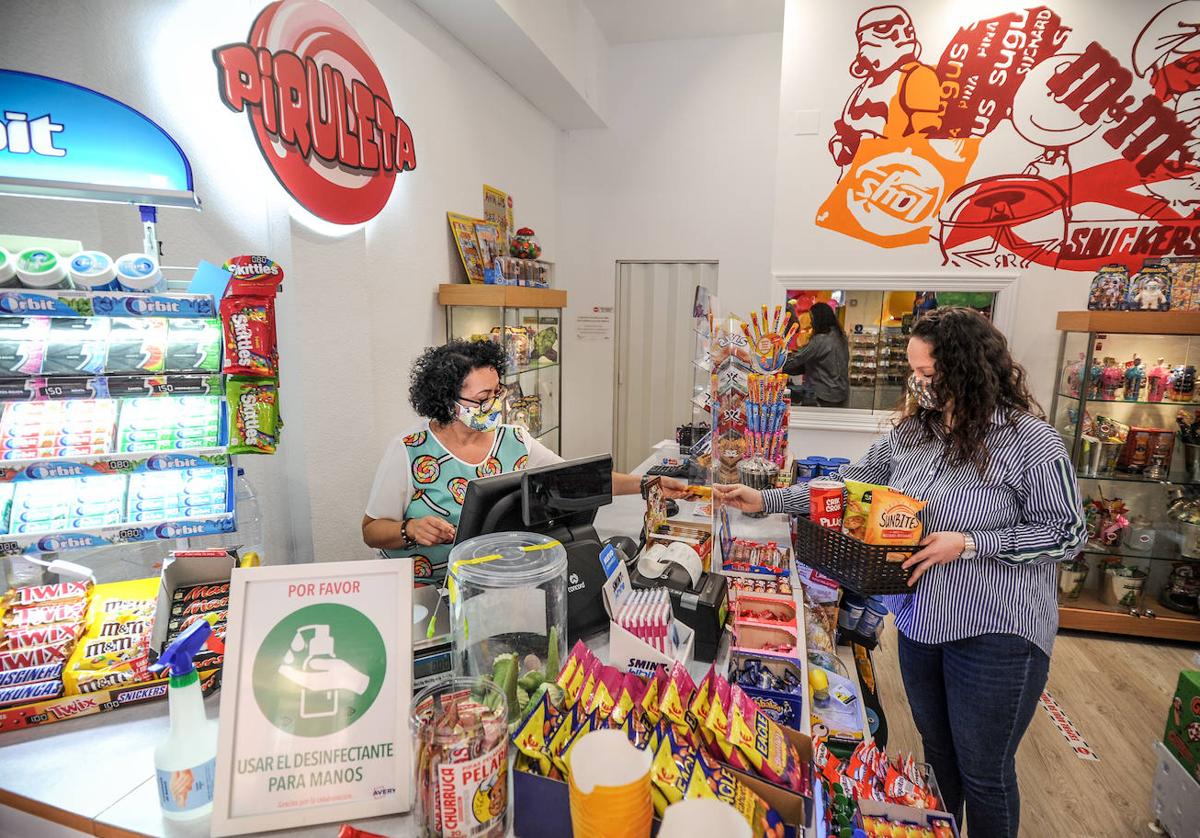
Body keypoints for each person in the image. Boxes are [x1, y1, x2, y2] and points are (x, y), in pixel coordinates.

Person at [716, 307, 1085, 838]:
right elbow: (845, 489)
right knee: (937, 756)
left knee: (983, 772)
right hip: (920, 620)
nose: (919, 384)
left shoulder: (1030, 443)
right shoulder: (912, 434)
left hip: (998, 632)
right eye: (914, 373)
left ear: (969, 369)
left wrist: (971, 543)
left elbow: (1068, 534)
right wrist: (767, 499)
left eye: (930, 375)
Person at [363, 339, 686, 584]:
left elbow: (576, 479)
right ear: (446, 400)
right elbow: (371, 531)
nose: (492, 405)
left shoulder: (513, 440)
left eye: (496, 393)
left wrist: (646, 484)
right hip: (424, 589)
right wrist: (410, 529)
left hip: (495, 582)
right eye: (481, 399)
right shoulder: (409, 450)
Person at [784, 302, 849, 407]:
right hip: (841, 393)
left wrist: (776, 364)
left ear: (819, 319)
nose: (811, 322)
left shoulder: (820, 340)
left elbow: (797, 359)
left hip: (824, 395)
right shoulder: (840, 336)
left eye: (812, 318)